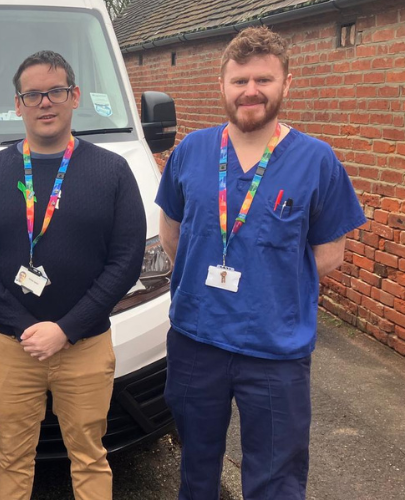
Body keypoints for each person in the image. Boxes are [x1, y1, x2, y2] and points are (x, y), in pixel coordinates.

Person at [156, 27, 366, 500]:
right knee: (196, 468)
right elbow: (172, 231)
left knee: (276, 480)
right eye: (240, 80)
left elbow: (329, 256)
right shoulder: (190, 152)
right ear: (223, 86)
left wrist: (268, 295)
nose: (251, 90)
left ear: (286, 84)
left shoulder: (318, 161)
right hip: (196, 342)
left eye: (264, 80)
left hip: (276, 352)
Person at [0, 50, 147, 500]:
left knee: (90, 456)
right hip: (11, 346)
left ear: (74, 96)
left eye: (56, 91)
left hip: (85, 345)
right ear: (18, 104)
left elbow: (125, 262)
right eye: (33, 94)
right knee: (12, 457)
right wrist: (27, 327)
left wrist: (65, 329)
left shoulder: (113, 172)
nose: (46, 103)